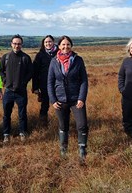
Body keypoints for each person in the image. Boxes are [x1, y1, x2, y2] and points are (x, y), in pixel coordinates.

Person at [47, 35, 89, 164]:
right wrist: (53, 100)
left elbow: (84, 81)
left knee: (82, 125)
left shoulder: (78, 60)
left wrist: (81, 98)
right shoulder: (54, 61)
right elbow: (50, 82)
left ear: (71, 46)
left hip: (76, 99)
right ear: (59, 46)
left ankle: (82, 150)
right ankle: (63, 150)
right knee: (63, 126)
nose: (66, 47)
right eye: (63, 45)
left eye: (68, 44)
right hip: (60, 100)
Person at [0, 34, 33, 143]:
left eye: (19, 44)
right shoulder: (6, 57)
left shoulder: (25, 58)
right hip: (8, 91)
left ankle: (22, 133)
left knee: (22, 114)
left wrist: (23, 83)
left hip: (21, 92)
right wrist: (5, 81)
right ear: (11, 44)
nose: (16, 46)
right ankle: (6, 134)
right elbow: (0, 71)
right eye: (14, 43)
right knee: (6, 115)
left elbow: (30, 72)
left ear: (21, 45)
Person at [32, 35, 59, 127]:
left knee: (61, 104)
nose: (48, 43)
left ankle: (62, 124)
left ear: (53, 42)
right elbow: (35, 72)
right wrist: (35, 87)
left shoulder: (59, 53)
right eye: (46, 42)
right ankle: (43, 124)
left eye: (50, 41)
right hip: (44, 85)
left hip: (58, 84)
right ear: (43, 44)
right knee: (45, 105)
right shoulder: (40, 55)